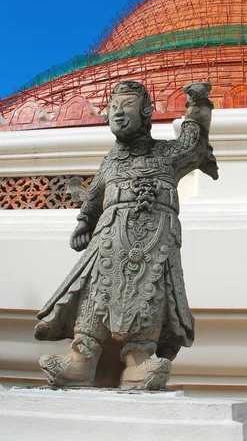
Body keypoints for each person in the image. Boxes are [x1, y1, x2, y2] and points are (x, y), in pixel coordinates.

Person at [35, 80, 218, 389]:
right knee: (96, 292)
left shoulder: (167, 154)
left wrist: (197, 104)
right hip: (110, 236)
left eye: (128, 106)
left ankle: (139, 360)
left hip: (155, 238)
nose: (119, 114)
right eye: (113, 108)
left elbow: (193, 142)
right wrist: (83, 223)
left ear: (146, 110)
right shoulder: (111, 162)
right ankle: (81, 359)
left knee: (150, 292)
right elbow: (94, 197)